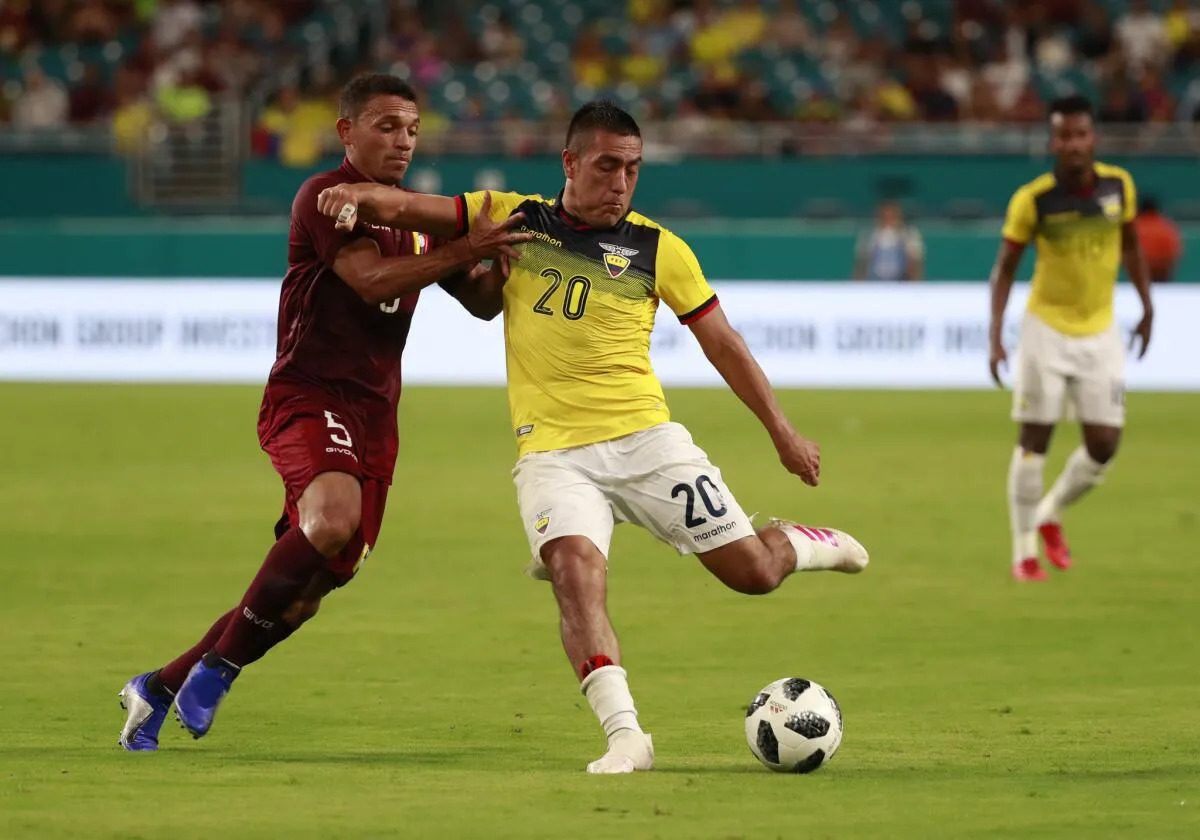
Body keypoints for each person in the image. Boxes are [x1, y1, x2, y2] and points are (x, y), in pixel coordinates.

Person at [315, 101, 870, 774]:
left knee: (753, 574)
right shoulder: (517, 216)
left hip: (646, 441)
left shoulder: (660, 249)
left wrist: (782, 431)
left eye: (633, 169)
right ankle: (626, 735)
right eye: (608, 166)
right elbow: (414, 209)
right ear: (571, 164)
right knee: (574, 573)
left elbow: (723, 343)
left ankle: (805, 545)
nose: (622, 182)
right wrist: (351, 194)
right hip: (553, 453)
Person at [116, 73, 530, 750]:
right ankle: (219, 668)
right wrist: (465, 249)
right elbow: (368, 281)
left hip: (376, 419)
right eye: (386, 125)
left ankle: (159, 685)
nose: (403, 141)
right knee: (330, 520)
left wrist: (504, 263)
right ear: (347, 131)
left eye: (413, 129)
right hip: (307, 394)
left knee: (306, 593)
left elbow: (480, 303)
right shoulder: (324, 198)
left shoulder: (417, 220)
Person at [988, 95, 1153, 583]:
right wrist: (996, 336)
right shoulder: (1033, 200)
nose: (1073, 144)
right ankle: (1023, 553)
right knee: (1034, 439)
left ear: (1093, 138)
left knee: (1104, 444)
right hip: (1046, 330)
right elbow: (1004, 271)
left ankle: (1049, 512)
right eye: (1064, 136)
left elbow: (1131, 245)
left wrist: (1148, 305)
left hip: (1100, 330)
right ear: (1053, 141)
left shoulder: (1118, 186)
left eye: (1081, 134)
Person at [852, 200, 925, 282]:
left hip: (901, 281)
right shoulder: (869, 235)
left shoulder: (909, 234)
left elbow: (915, 261)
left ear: (899, 217)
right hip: (874, 282)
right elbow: (861, 263)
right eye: (884, 217)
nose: (888, 220)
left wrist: (914, 283)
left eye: (892, 216)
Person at [1132, 196, 1183, 283]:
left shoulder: (1135, 227)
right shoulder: (1166, 226)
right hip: (1162, 274)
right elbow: (1174, 253)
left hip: (1140, 274)